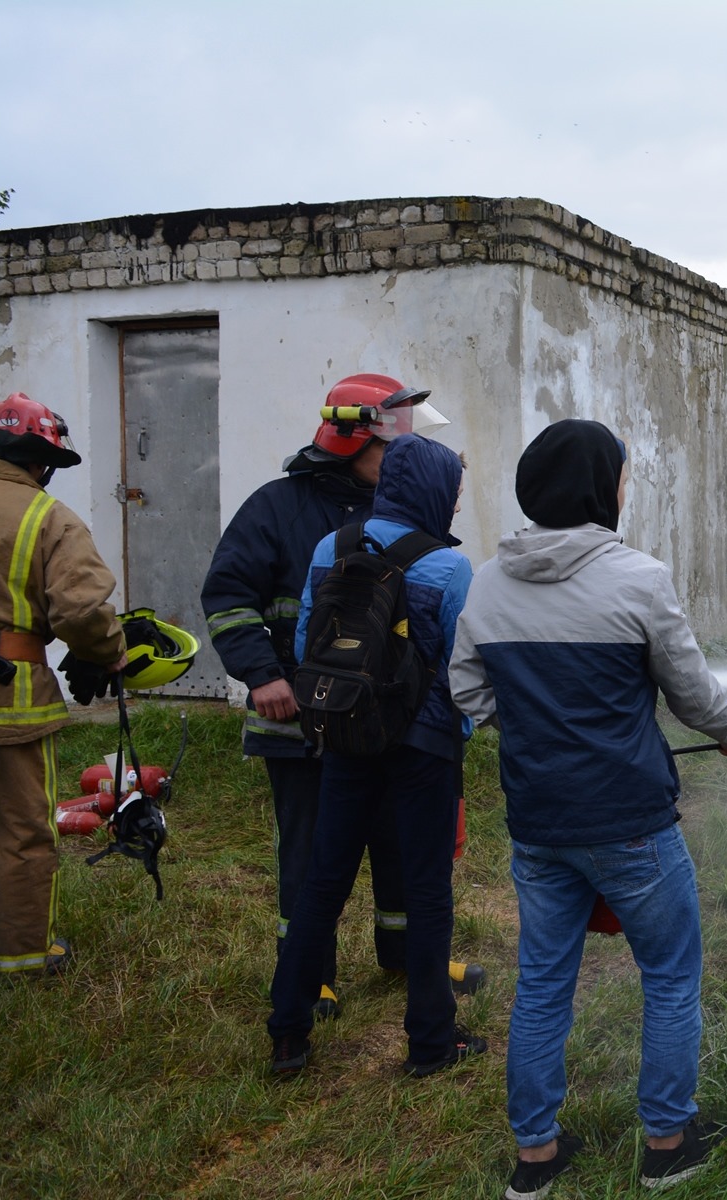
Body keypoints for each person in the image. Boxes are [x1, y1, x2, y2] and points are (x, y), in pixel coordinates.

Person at [450, 419, 727, 1196]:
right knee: (670, 975)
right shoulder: (638, 579)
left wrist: (535, 729)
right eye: (621, 476)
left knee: (543, 983)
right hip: (631, 825)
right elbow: (689, 690)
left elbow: (467, 691)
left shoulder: (488, 583)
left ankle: (535, 1157)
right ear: (598, 488)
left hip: (539, 824)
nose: (624, 489)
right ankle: (667, 1143)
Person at [201, 374, 483, 1017]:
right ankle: (311, 976)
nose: (403, 457)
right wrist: (263, 675)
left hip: (392, 727)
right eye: (393, 446)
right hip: (301, 716)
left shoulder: (393, 517)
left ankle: (408, 954)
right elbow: (227, 596)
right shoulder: (277, 508)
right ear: (353, 441)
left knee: (399, 841)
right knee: (312, 854)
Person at [266, 432, 485, 1077]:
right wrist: (457, 734)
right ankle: (431, 1044)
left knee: (322, 884)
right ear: (433, 490)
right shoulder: (448, 567)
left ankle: (288, 1034)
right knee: (427, 892)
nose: (456, 502)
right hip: (423, 750)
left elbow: (306, 644)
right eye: (455, 490)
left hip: (345, 739)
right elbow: (462, 670)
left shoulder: (330, 548)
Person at [0, 393, 127, 976]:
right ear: (41, 461)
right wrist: (108, 652)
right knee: (22, 827)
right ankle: (24, 954)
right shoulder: (47, 517)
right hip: (11, 701)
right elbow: (80, 611)